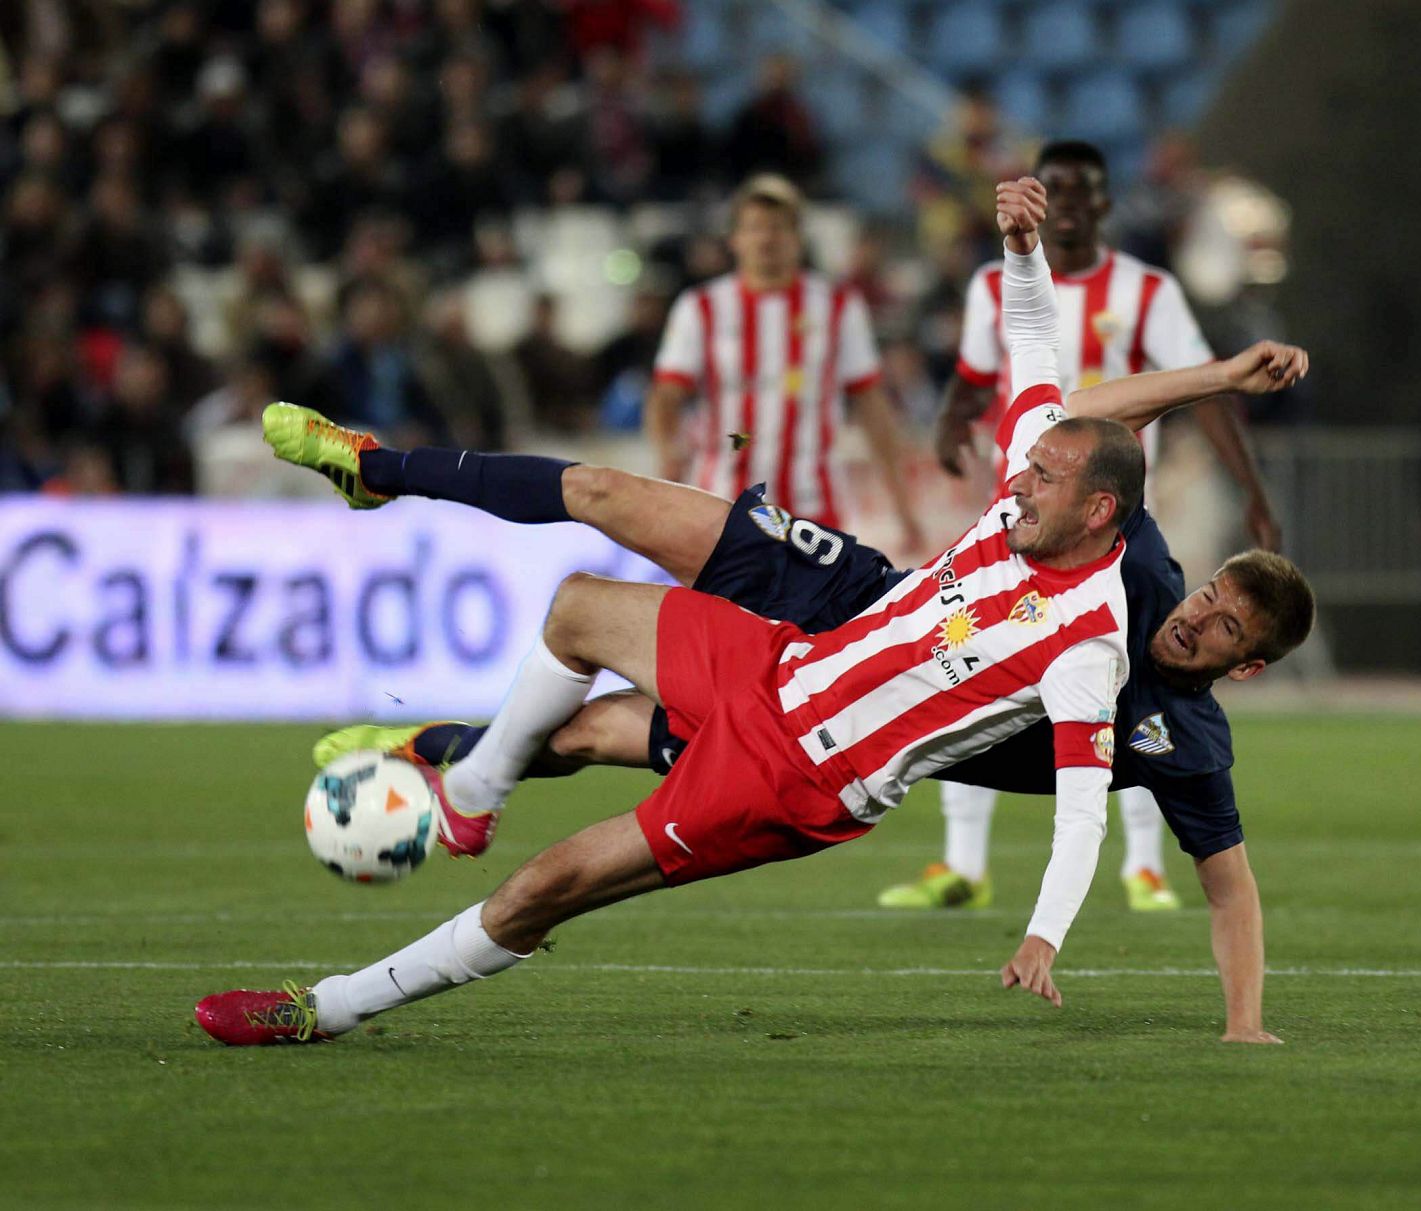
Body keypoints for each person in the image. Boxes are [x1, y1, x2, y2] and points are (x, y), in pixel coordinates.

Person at [203, 182, 1309, 1046]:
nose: (1012, 479)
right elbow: (1039, 356)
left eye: (1041, 477)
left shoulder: (1088, 640)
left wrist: (1042, 934)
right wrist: (1019, 246)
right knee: (580, 604)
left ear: (1097, 509)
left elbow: (1079, 814)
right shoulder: (1058, 502)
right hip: (784, 656)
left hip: (798, 773)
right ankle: (470, 784)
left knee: (548, 885)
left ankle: (328, 1005)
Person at [913, 140, 1285, 915]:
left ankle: (1144, 863)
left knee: (1136, 679)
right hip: (1020, 504)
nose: (1072, 203)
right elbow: (980, 376)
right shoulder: (993, 283)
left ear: (1105, 203)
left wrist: (1248, 483)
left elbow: (1199, 388)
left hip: (1116, 525)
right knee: (975, 661)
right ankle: (961, 863)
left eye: (1084, 191)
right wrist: (951, 424)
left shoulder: (1147, 290)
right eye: (1059, 190)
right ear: (1045, 196)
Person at [645, 173, 923, 554]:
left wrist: (903, 510)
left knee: (812, 616)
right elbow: (666, 397)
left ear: (797, 238)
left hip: (813, 512)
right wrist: (668, 466)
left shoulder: (838, 307)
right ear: (735, 239)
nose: (767, 238)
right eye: (755, 227)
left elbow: (872, 406)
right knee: (723, 614)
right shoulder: (701, 308)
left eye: (778, 227)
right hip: (720, 505)